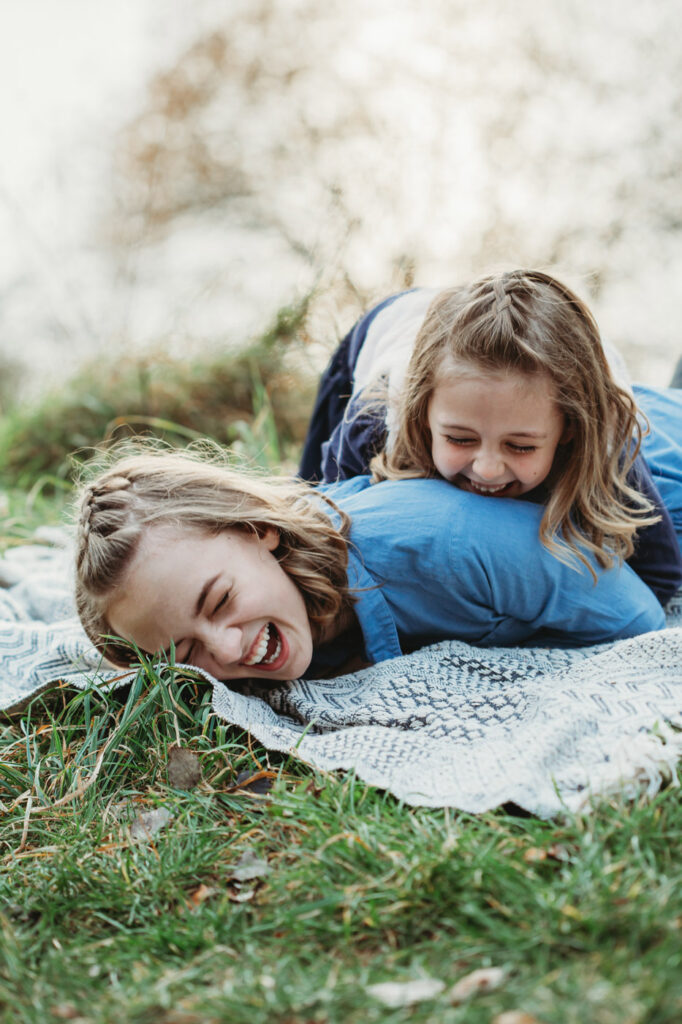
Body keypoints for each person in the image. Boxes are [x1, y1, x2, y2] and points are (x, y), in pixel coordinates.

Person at [74, 448, 665, 684]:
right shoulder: (277, 626)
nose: (226, 652)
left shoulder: (445, 543)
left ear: (260, 531)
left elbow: (640, 623)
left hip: (658, 480)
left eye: (220, 601)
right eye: (185, 652)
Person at [299, 270, 682, 604]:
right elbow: (325, 544)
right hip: (389, 325)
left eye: (520, 446)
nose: (486, 468)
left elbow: (660, 576)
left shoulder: (603, 437)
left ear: (568, 430)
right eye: (460, 439)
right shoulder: (373, 422)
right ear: (425, 416)